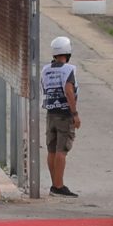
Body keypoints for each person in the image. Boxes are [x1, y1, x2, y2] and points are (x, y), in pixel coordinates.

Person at [42, 34, 81, 196]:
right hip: (64, 114)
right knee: (61, 150)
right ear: (68, 52)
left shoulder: (46, 70)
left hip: (50, 113)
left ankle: (54, 184)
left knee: (51, 149)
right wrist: (75, 114)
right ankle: (59, 186)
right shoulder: (69, 70)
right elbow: (69, 91)